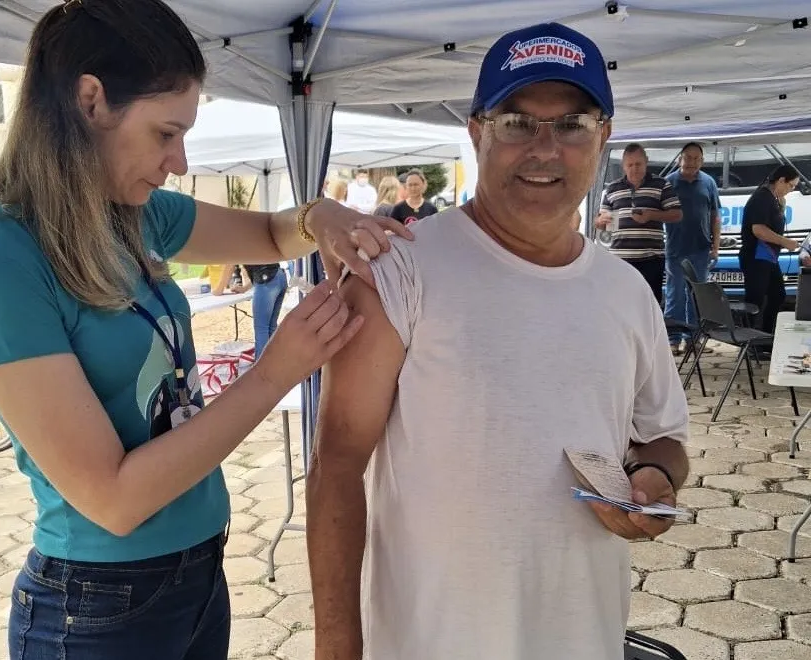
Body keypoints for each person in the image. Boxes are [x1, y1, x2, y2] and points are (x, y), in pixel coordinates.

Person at [0, 2, 412, 659]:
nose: (178, 160)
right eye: (166, 132)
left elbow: (274, 232)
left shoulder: (133, 214)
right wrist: (275, 371)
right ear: (90, 101)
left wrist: (319, 215)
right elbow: (114, 499)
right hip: (98, 606)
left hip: (196, 576)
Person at [307, 22, 689, 660]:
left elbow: (665, 437)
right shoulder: (398, 270)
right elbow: (337, 467)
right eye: (517, 122)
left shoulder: (625, 290)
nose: (545, 149)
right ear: (477, 132)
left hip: (583, 637)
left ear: (605, 137)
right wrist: (337, 646)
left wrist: (652, 479)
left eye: (571, 125)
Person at [595, 143, 682, 303]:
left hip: (651, 259)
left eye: (638, 164)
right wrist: (600, 222)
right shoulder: (612, 189)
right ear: (623, 166)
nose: (634, 168)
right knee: (620, 304)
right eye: (630, 165)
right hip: (620, 260)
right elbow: (602, 224)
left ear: (646, 161)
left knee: (649, 305)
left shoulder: (661, 184)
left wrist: (651, 215)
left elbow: (677, 214)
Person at [664, 142, 722, 354]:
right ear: (680, 158)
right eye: (688, 158)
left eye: (697, 159)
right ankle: (673, 339)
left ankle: (694, 339)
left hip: (700, 250)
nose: (692, 162)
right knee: (675, 295)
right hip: (675, 249)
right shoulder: (668, 182)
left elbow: (715, 217)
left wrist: (715, 247)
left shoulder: (709, 183)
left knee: (697, 297)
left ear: (702, 161)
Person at [739, 164, 801, 334]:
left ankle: (766, 333)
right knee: (755, 300)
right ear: (781, 180)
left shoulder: (773, 198)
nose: (791, 189)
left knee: (778, 294)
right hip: (756, 256)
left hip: (768, 257)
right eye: (791, 185)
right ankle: (749, 339)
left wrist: (781, 206)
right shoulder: (762, 198)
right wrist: (784, 241)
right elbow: (758, 230)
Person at [228, 262, 289, 358]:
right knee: (271, 326)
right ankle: (274, 364)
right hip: (279, 276)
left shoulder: (238, 247)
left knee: (262, 328)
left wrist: (217, 290)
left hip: (266, 281)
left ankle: (262, 369)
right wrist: (245, 288)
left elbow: (230, 263)